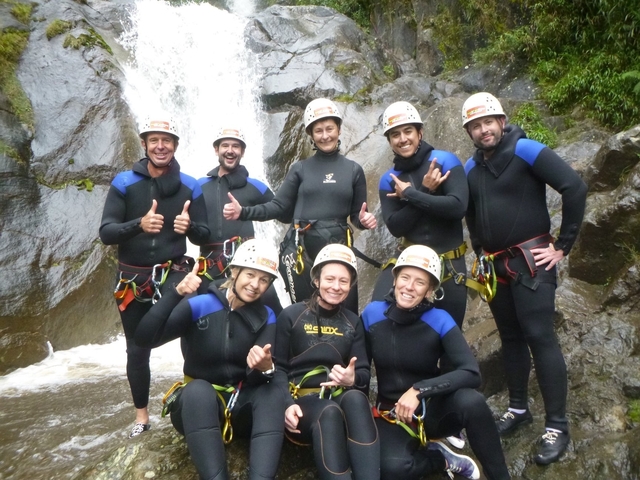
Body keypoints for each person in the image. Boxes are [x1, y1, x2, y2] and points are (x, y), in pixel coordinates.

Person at [462, 92, 587, 465]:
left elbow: (574, 187)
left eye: (488, 122)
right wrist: (480, 250)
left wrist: (563, 245)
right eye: (475, 125)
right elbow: (470, 212)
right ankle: (518, 408)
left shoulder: (527, 150)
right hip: (496, 266)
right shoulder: (471, 168)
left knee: (539, 335)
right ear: (469, 130)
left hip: (532, 260)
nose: (483, 130)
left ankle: (557, 425)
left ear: (502, 121)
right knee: (511, 337)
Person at [134, 240, 285, 480]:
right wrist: (176, 294)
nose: (255, 285)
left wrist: (266, 368)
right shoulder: (200, 305)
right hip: (198, 408)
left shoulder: (267, 316)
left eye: (264, 280)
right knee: (197, 390)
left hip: (240, 406)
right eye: (250, 275)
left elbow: (257, 379)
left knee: (272, 394)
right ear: (234, 271)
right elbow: (143, 339)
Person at [99, 113, 210, 438]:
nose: (160, 146)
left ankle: (197, 397)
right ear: (144, 144)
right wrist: (139, 224)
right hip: (132, 280)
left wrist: (190, 227)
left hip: (173, 273)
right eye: (154, 140)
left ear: (175, 145)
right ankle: (142, 417)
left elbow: (204, 235)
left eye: (167, 141)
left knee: (191, 327)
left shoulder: (191, 186)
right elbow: (107, 232)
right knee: (137, 349)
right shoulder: (124, 183)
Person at [362, 245, 511, 480]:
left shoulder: (439, 320)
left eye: (419, 282)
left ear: (430, 289)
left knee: (472, 402)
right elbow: (361, 367)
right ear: (395, 280)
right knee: (392, 470)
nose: (409, 287)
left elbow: (471, 373)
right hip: (391, 415)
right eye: (405, 278)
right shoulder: (372, 314)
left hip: (430, 410)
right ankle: (441, 459)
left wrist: (419, 390)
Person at [223, 98, 377, 313]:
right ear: (311, 135)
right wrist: (244, 212)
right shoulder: (300, 169)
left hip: (338, 250)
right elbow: (278, 206)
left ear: (339, 129)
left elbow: (357, 217)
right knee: (303, 314)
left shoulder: (353, 170)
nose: (325, 136)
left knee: (346, 314)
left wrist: (364, 221)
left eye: (329, 128)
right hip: (300, 251)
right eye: (318, 130)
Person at [273, 244, 379, 480]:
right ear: (316, 280)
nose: (336, 286)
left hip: (338, 396)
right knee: (329, 411)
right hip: (302, 402)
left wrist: (353, 378)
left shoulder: (353, 322)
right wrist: (285, 404)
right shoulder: (291, 315)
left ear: (350, 285)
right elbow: (277, 368)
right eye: (330, 278)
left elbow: (362, 373)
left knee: (356, 398)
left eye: (343, 281)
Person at [197, 126, 283, 314]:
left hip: (250, 266)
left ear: (242, 152)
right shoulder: (199, 186)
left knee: (275, 313)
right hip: (209, 266)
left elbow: (283, 212)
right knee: (200, 319)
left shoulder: (255, 186)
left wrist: (246, 211)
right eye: (225, 145)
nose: (230, 150)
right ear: (216, 149)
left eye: (236, 146)